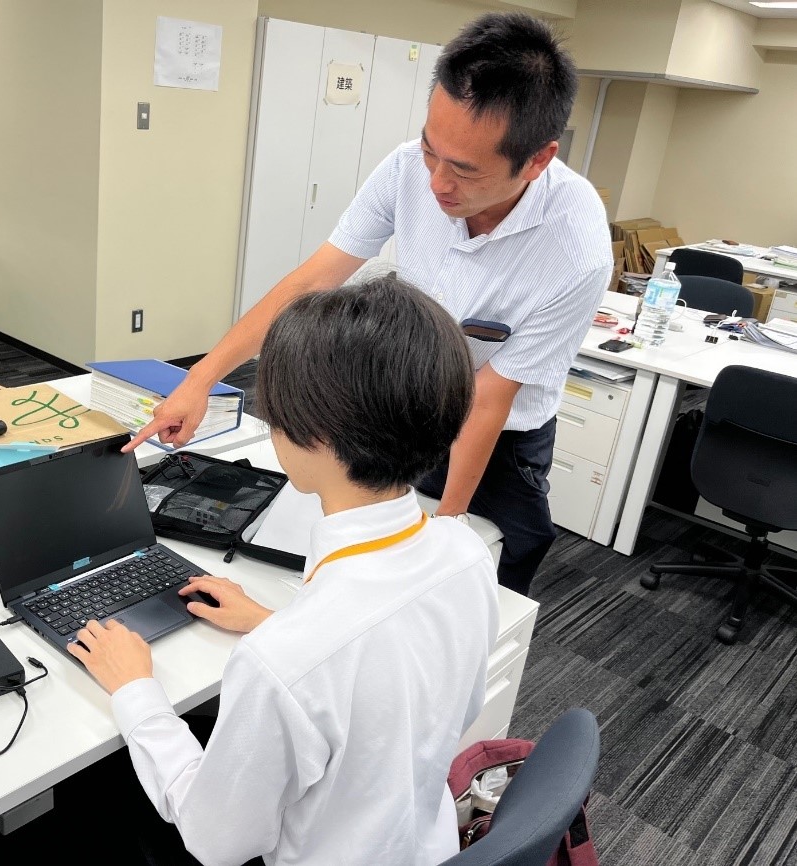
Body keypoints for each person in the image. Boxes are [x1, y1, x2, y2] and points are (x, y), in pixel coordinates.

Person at [126, 12, 613, 598]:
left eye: (464, 170)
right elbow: (312, 282)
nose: (437, 183)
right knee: (353, 558)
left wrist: (448, 525)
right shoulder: (407, 169)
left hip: (500, 433)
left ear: (537, 159)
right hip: (404, 402)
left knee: (487, 564)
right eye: (431, 150)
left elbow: (488, 400)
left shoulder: (576, 250)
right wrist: (200, 380)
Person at [69, 276, 499, 866]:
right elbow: (423, 688)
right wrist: (274, 622)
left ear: (313, 434)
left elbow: (215, 842)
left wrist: (135, 690)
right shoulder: (466, 554)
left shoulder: (283, 663)